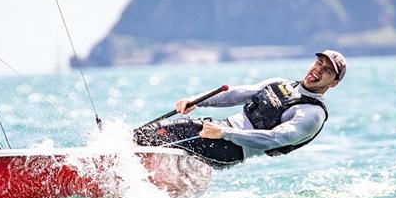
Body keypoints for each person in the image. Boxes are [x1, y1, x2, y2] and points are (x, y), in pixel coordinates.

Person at [133, 50, 347, 169]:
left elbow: (274, 138)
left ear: (333, 83)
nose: (318, 70)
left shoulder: (312, 114)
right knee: (157, 131)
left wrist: (225, 133)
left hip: (231, 148)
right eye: (319, 63)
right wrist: (196, 100)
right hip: (218, 131)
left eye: (327, 70)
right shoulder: (281, 84)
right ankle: (122, 149)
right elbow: (236, 93)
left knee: (162, 134)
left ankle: (121, 156)